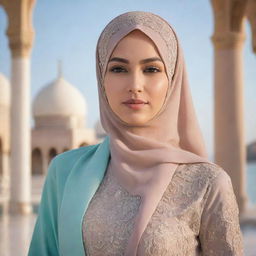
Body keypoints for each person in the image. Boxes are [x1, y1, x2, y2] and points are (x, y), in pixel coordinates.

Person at [28, 11, 244, 256]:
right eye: (119, 69)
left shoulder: (207, 182)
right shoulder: (65, 171)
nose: (135, 85)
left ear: (172, 79)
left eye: (151, 69)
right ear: (102, 79)